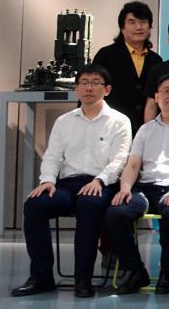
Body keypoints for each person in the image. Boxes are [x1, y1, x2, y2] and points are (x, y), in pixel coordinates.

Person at [11, 65, 132, 298]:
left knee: (88, 205)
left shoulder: (119, 121)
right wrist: (47, 180)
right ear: (76, 89)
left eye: (95, 83)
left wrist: (99, 180)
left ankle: (83, 279)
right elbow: (52, 156)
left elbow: (119, 160)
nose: (89, 88)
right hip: (67, 184)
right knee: (34, 205)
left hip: (101, 184)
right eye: (83, 83)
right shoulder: (64, 121)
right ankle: (41, 277)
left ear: (107, 89)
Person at [106, 73, 169, 295]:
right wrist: (125, 188)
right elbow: (133, 165)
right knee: (116, 213)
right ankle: (135, 270)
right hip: (144, 188)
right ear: (157, 96)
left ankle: (168, 274)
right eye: (166, 91)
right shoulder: (146, 129)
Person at [91, 1, 163, 134]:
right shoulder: (106, 55)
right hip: (110, 128)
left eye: (143, 22)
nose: (138, 27)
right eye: (132, 22)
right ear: (122, 28)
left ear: (150, 27)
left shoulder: (156, 60)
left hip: (144, 129)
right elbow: (91, 89)